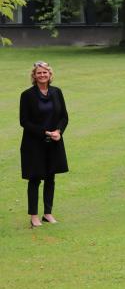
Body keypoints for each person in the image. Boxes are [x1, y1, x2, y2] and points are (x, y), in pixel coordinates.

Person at [20, 61, 69, 228]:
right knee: (34, 179)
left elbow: (64, 116)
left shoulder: (57, 92)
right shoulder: (27, 95)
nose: (42, 75)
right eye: (39, 73)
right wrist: (45, 132)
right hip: (34, 144)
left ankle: (48, 213)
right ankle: (34, 216)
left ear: (50, 74)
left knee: (50, 178)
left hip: (54, 142)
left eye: (45, 72)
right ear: (34, 76)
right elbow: (24, 121)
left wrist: (58, 131)